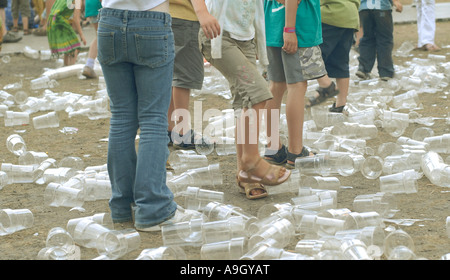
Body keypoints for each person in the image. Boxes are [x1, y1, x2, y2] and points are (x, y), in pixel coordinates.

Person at [98, 0, 184, 231]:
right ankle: (152, 209)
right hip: (151, 20)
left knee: (121, 118)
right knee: (153, 120)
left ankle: (122, 206)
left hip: (109, 20)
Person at [199, 0, 292, 200]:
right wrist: (202, 13)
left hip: (247, 37)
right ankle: (251, 161)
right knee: (258, 92)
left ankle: (246, 174)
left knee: (245, 102)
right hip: (218, 33)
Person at [263, 0, 335, 168]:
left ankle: (273, 148)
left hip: (272, 24)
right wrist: (289, 29)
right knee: (297, 86)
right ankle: (296, 152)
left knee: (276, 86)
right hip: (297, 27)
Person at [166, 0, 220, 149]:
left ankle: (171, 129)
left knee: (171, 74)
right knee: (183, 76)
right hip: (184, 16)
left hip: (164, 14)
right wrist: (202, 12)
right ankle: (182, 133)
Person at [313, 0, 360, 113]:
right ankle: (340, 104)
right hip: (350, 16)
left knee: (312, 57)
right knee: (341, 62)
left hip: (330, 14)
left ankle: (326, 86)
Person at [356, 0, 403, 81]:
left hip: (364, 8)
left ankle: (363, 68)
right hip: (381, 7)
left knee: (367, 38)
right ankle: (386, 71)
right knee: (384, 39)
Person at [47, 0, 86, 66]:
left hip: (52, 20)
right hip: (60, 21)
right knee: (75, 48)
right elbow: (76, 18)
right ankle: (71, 68)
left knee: (68, 46)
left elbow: (67, 6)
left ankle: (65, 66)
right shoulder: (78, 1)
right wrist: (81, 35)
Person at [81, 0, 102, 79]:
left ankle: (89, 65)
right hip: (99, 6)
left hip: (90, 6)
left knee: (98, 36)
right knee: (102, 36)